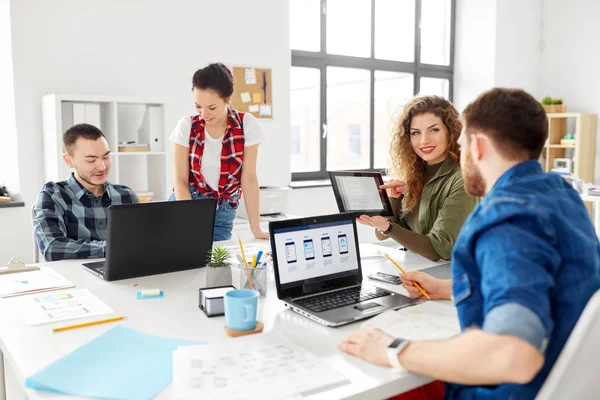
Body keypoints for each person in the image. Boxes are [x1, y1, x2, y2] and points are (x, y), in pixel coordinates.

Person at [339, 88, 600, 399]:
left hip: (504, 389)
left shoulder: (506, 220)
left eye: (460, 147)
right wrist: (451, 288)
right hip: (567, 381)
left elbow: (513, 355)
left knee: (369, 380)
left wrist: (395, 350)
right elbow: (542, 278)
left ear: (476, 146)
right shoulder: (560, 193)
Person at [357, 96, 477, 261]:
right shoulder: (415, 173)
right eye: (415, 133)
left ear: (451, 131)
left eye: (434, 130)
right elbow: (381, 235)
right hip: (419, 268)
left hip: (452, 275)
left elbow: (437, 249)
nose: (424, 140)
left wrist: (386, 226)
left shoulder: (463, 178)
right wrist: (395, 200)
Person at [169, 63, 268, 241]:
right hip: (185, 205)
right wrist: (191, 221)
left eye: (211, 107)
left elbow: (249, 179)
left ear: (228, 99)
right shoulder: (186, 126)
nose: (204, 113)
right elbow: (180, 180)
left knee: (216, 265)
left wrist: (256, 229)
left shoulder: (247, 125)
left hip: (223, 211)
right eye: (198, 106)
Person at [34, 124, 139, 261]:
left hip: (124, 277)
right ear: (69, 160)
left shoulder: (126, 196)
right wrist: (114, 248)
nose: (102, 167)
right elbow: (53, 248)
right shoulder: (53, 196)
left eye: (106, 157)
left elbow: (142, 243)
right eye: (91, 160)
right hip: (76, 279)